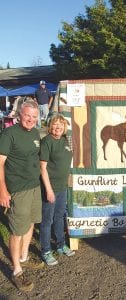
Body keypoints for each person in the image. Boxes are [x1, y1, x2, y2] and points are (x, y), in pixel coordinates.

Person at [0, 99, 43, 292]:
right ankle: (17, 271)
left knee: (31, 222)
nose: (31, 119)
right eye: (27, 115)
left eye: (34, 116)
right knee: (17, 230)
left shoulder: (35, 132)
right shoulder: (9, 134)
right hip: (18, 189)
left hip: (34, 187)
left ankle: (24, 258)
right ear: (19, 115)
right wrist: (2, 190)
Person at [40, 113, 75, 266]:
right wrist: (48, 190)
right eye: (54, 124)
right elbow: (43, 168)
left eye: (60, 124)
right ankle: (46, 251)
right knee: (47, 220)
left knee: (59, 217)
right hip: (51, 188)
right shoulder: (47, 141)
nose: (57, 127)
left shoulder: (65, 140)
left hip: (62, 187)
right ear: (50, 126)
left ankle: (61, 245)